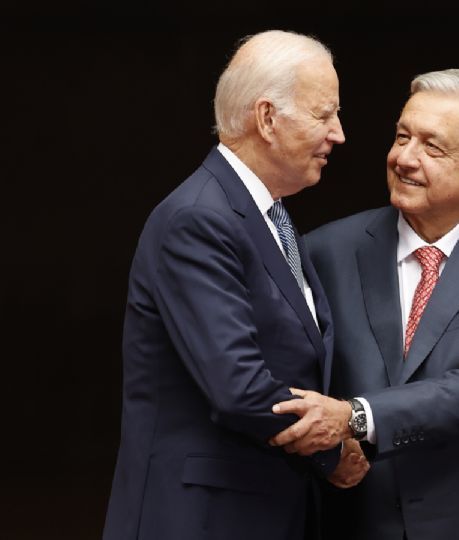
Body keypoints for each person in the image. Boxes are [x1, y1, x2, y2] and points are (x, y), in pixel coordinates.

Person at [270, 69, 459, 540]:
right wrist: (326, 454)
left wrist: (354, 416)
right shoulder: (325, 251)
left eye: (432, 147)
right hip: (357, 517)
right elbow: (293, 376)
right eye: (401, 137)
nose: (404, 159)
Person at [102, 30, 367, 540]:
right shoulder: (198, 219)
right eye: (323, 114)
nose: (339, 133)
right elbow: (239, 388)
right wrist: (333, 447)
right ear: (267, 118)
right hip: (200, 517)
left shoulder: (270, 216)